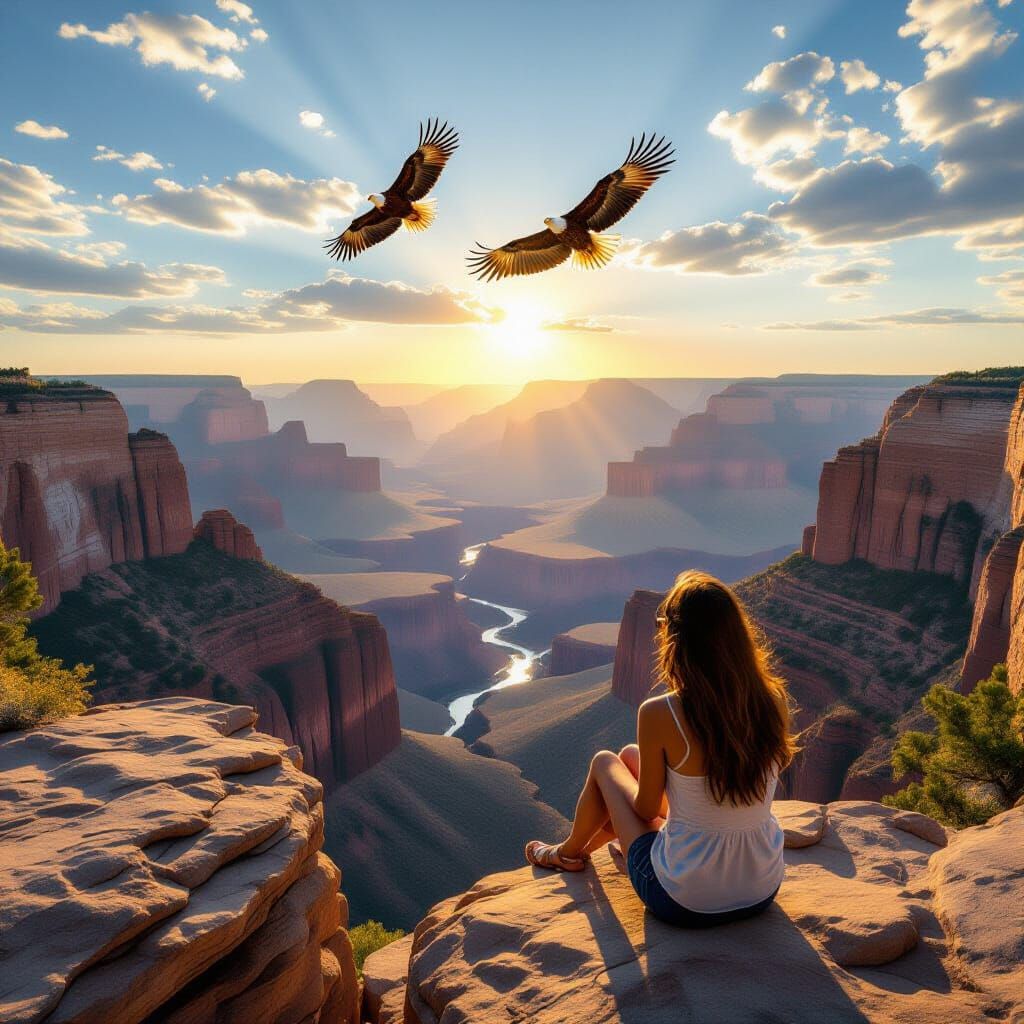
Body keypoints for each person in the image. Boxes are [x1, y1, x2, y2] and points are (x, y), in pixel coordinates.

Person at [525, 570, 796, 927]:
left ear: (677, 639)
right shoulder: (774, 700)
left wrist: (622, 802)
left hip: (682, 900)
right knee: (630, 756)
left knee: (606, 762)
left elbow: (646, 808)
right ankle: (581, 848)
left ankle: (566, 853)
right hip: (761, 890)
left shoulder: (660, 712)